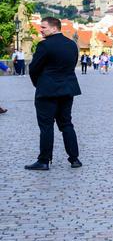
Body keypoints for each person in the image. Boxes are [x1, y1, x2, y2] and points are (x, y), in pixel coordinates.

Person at [25, 17, 82, 170]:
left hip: (47, 91)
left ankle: (44, 160)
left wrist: (39, 84)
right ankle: (74, 159)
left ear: (54, 28)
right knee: (66, 124)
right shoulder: (71, 44)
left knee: (46, 126)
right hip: (67, 90)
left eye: (43, 27)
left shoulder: (44, 45)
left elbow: (34, 68)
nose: (40, 30)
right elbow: (71, 65)